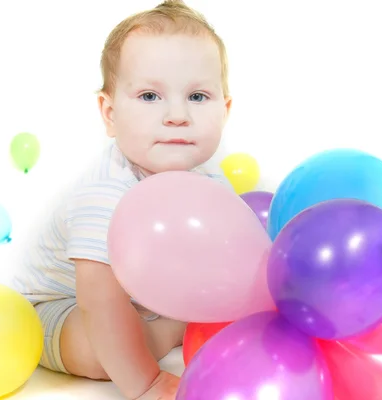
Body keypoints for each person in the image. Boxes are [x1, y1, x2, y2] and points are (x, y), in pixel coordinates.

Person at [12, 1, 233, 398]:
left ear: (226, 110)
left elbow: (235, 258)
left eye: (198, 97)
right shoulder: (106, 193)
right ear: (110, 113)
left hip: (144, 299)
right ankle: (166, 331)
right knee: (104, 351)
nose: (177, 115)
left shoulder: (211, 182)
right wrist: (145, 382)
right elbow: (98, 300)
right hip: (62, 306)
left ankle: (162, 326)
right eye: (150, 96)